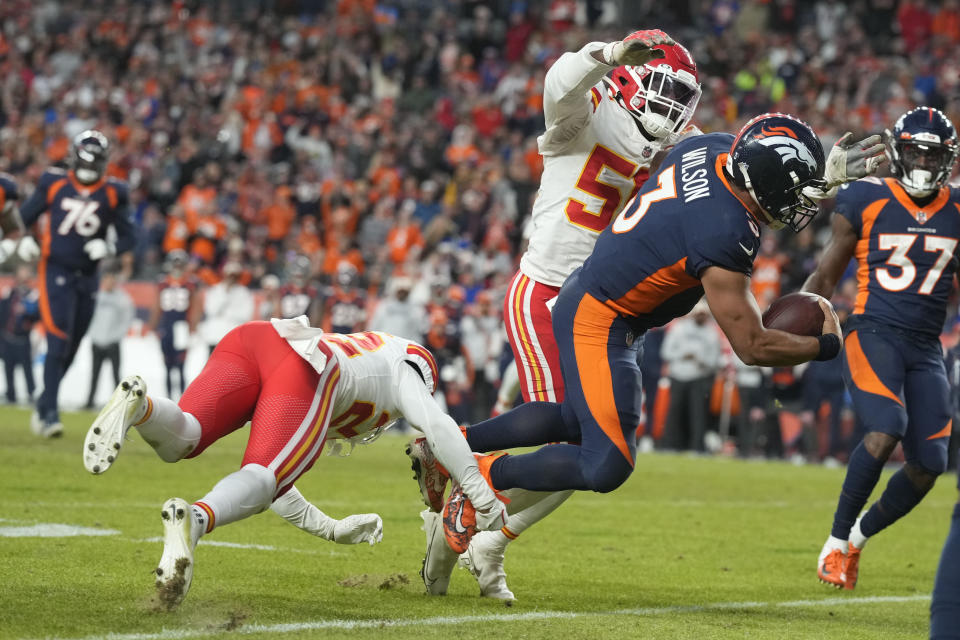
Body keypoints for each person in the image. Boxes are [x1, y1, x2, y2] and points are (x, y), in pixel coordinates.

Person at [427, 113, 885, 563]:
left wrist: (820, 178)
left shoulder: (710, 147)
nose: (796, 205)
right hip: (602, 318)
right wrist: (825, 345)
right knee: (605, 463)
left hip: (603, 302)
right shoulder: (725, 233)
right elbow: (753, 346)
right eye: (793, 193)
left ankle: (451, 442)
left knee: (572, 417)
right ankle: (484, 476)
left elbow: (740, 181)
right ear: (763, 181)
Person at [429, 28, 705, 602]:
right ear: (630, 76)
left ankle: (483, 516)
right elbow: (559, 83)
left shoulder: (682, 146)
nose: (672, 108)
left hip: (620, 307)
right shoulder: (593, 107)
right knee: (579, 432)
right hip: (551, 291)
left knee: (600, 446)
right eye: (663, 91)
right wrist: (603, 55)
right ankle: (473, 497)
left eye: (682, 97)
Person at [81, 316, 508, 609]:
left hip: (254, 338)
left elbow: (280, 484)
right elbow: (438, 425)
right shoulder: (405, 366)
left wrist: (332, 529)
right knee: (261, 475)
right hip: (307, 368)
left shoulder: (359, 360)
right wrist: (480, 493)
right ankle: (195, 519)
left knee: (184, 437)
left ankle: (142, 409)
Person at [802, 107, 960, 591]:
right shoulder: (866, 197)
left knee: (930, 463)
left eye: (932, 156)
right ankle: (832, 546)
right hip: (873, 332)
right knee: (887, 425)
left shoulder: (955, 210)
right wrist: (797, 330)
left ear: (947, 161)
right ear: (896, 151)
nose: (922, 164)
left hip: (926, 346)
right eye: (914, 152)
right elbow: (826, 274)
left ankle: (856, 537)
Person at [20, 130, 137, 437]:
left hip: (89, 277)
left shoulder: (114, 191)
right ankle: (49, 415)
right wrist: (27, 241)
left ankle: (44, 402)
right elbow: (23, 216)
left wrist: (110, 248)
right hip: (54, 269)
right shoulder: (53, 182)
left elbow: (130, 237)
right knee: (57, 339)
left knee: (71, 345)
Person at [659, 300, 722, 452]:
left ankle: (696, 447)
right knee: (674, 413)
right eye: (699, 314)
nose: (701, 317)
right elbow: (665, 352)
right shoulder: (678, 329)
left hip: (699, 377)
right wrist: (683, 355)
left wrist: (700, 360)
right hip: (678, 375)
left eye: (703, 315)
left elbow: (715, 360)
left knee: (698, 415)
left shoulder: (712, 333)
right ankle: (670, 445)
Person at [84, 267, 135, 408]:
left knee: (116, 375)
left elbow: (126, 320)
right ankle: (89, 401)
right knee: (94, 374)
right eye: (106, 279)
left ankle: (119, 404)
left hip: (113, 342)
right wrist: (93, 335)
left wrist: (116, 337)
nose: (109, 282)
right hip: (97, 341)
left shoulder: (122, 298)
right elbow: (87, 317)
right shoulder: (96, 296)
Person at [150, 250, 197, 399]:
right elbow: (157, 306)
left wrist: (192, 328)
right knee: (168, 365)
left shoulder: (190, 284)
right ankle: (169, 398)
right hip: (166, 325)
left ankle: (183, 399)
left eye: (180, 264)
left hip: (181, 326)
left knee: (181, 365)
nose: (177, 267)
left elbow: (195, 308)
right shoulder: (162, 283)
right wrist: (153, 327)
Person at [0, 265, 39, 404]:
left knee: (27, 369)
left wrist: (27, 312)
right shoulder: (9, 293)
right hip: (8, 338)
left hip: (23, 339)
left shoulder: (33, 295)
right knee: (8, 369)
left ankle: (32, 393)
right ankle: (10, 394)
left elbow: (37, 316)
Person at [199, 261, 254, 355]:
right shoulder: (215, 290)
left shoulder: (244, 292)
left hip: (233, 336)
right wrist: (225, 294)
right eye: (229, 276)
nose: (231, 279)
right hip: (215, 336)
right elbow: (210, 310)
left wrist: (228, 314)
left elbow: (246, 314)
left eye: (234, 276)